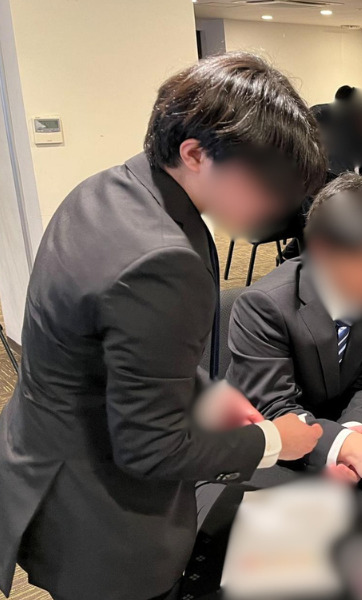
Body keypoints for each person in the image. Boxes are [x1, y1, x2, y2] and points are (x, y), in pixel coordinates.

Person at [0, 53, 329, 600]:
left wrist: (209, 394)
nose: (278, 207)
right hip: (102, 509)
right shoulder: (161, 259)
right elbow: (150, 448)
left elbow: (120, 351)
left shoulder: (111, 186)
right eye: (268, 186)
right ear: (194, 153)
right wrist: (273, 440)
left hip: (47, 453)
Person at [227, 174, 362, 497]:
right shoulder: (263, 305)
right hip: (267, 449)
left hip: (335, 426)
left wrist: (356, 430)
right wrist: (345, 446)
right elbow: (273, 409)